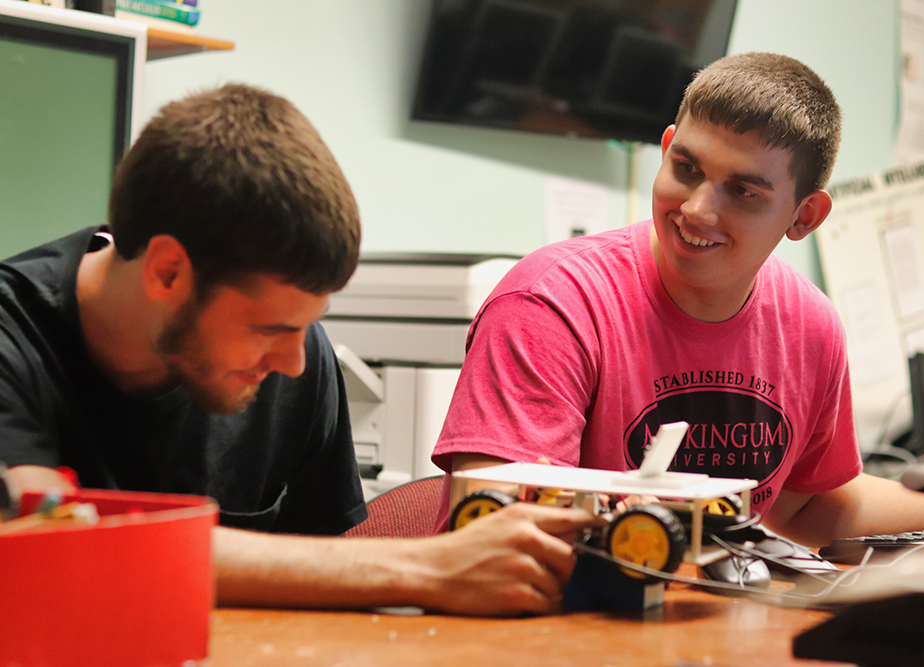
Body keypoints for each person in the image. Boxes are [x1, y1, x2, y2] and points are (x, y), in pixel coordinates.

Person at [0, 83, 601, 616]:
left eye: (303, 328)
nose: (293, 362)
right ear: (166, 273)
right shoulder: (12, 340)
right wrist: (431, 568)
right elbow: (53, 542)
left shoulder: (299, 357)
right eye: (270, 329)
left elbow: (319, 580)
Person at [432, 52, 924, 546]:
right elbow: (498, 528)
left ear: (804, 217)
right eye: (686, 168)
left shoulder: (810, 325)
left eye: (743, 191)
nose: (698, 210)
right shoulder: (551, 303)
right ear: (665, 152)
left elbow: (808, 506)